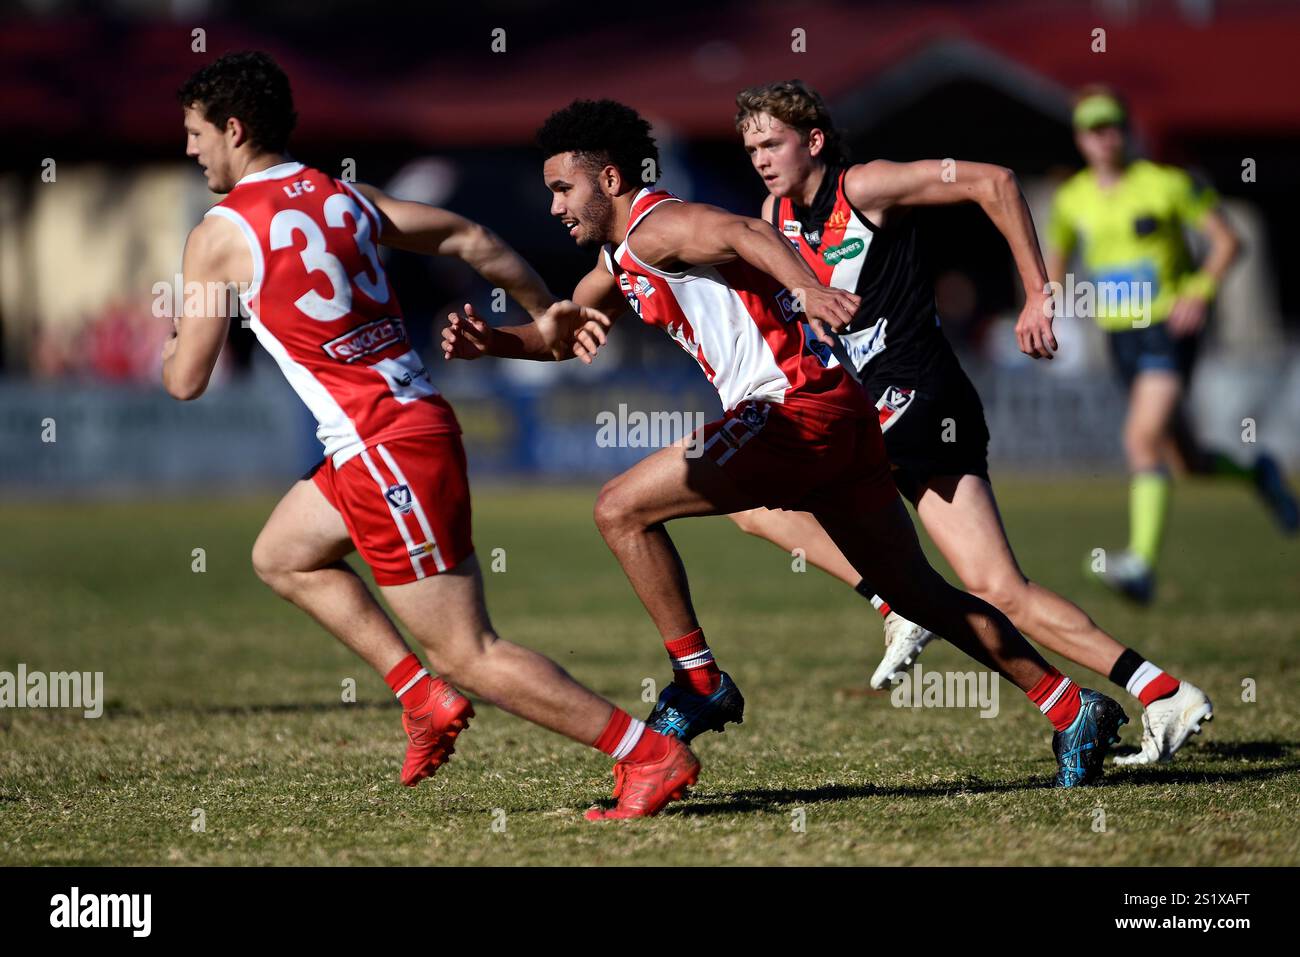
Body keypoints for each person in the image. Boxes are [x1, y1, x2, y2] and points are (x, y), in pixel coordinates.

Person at [443, 98, 1128, 788]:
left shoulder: (661, 224)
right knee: (919, 593)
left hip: (792, 409)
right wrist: (494, 343)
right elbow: (566, 331)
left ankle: (699, 679)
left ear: (612, 179)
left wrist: (805, 285)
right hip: (841, 413)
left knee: (619, 508)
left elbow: (742, 230)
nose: (556, 205)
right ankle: (1072, 707)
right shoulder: (621, 257)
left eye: (564, 188)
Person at [165, 51, 697, 821]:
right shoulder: (344, 197)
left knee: (470, 652)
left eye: (194, 132)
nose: (189, 149)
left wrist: (171, 336)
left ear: (234, 129)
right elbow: (470, 239)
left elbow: (186, 379)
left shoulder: (217, 232)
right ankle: (421, 697)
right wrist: (544, 312)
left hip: (383, 447)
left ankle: (647, 752)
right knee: (281, 553)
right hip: (391, 434)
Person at [720, 80, 1211, 765]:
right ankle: (1161, 690)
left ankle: (894, 606)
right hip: (894, 406)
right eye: (750, 148)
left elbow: (997, 181)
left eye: (772, 143)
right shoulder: (773, 213)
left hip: (920, 393)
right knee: (999, 588)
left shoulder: (867, 186)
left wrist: (1040, 294)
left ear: (814, 140)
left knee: (759, 491)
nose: (762, 159)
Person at [1046, 85, 1297, 604]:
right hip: (1119, 335)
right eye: (1093, 129)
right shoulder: (1072, 198)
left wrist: (1200, 290)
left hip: (1167, 327)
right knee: (1187, 462)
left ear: (1125, 130)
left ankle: (1140, 564)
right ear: (1080, 139)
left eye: (1111, 125)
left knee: (1140, 438)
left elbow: (1229, 240)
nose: (1104, 137)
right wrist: (1048, 306)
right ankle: (1260, 472)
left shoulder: (1166, 184)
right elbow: (1055, 259)